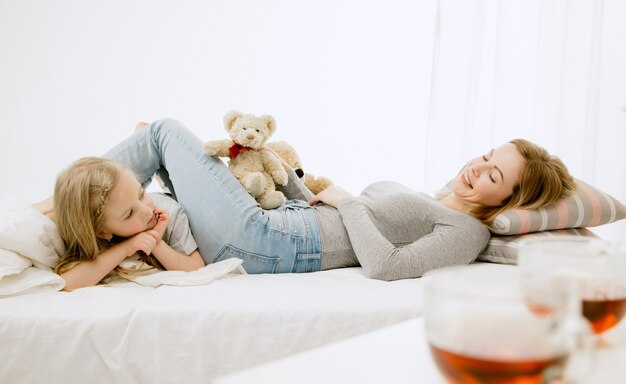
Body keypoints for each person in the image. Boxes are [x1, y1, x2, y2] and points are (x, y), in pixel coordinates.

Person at [89, 118, 574, 281]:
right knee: (154, 142)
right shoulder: (438, 202)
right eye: (486, 155)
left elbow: (385, 266)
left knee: (162, 133)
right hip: (276, 223)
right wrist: (290, 174)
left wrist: (348, 202)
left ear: (511, 199)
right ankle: (67, 213)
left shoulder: (467, 232)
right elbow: (331, 206)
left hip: (267, 240)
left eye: (493, 173)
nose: (476, 166)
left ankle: (54, 213)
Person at [50, 156, 205, 291]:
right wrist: (127, 247)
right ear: (102, 232)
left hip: (185, 201)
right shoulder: (101, 241)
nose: (145, 210)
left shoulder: (169, 212)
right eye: (130, 213)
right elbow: (67, 283)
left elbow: (197, 267)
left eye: (141, 194)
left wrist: (155, 241)